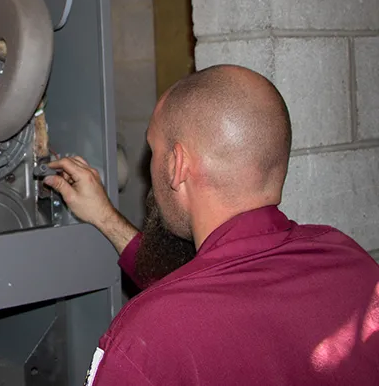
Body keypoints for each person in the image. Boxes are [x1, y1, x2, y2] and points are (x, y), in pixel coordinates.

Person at [45, 65, 379, 385]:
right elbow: (213, 290)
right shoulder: (353, 264)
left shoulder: (143, 343)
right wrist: (105, 217)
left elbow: (194, 305)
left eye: (154, 150)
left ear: (177, 164)